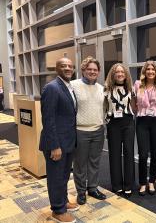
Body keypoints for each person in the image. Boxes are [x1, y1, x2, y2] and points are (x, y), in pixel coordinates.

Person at [39, 57, 79, 223]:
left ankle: (63, 202)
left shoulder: (68, 86)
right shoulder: (52, 88)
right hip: (56, 144)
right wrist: (54, 146)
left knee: (63, 176)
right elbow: (48, 119)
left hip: (68, 141)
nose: (68, 68)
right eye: (64, 66)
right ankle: (58, 210)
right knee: (56, 177)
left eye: (70, 66)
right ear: (57, 69)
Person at [71, 56, 106, 205]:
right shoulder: (73, 85)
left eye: (95, 70)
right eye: (89, 69)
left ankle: (92, 188)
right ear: (83, 70)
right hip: (80, 131)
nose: (92, 72)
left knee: (94, 162)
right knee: (79, 164)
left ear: (98, 72)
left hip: (98, 130)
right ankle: (81, 192)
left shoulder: (101, 88)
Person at [134, 60, 156, 196]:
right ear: (144, 71)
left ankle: (152, 182)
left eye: (153, 69)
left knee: (155, 154)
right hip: (142, 120)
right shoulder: (138, 84)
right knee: (143, 154)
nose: (150, 71)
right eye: (148, 69)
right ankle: (143, 183)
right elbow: (135, 104)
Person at [104, 63, 136, 198]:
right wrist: (106, 120)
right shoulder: (106, 89)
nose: (120, 74)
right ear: (113, 74)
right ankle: (117, 186)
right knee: (114, 155)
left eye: (122, 72)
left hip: (128, 122)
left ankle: (128, 185)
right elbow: (104, 107)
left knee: (129, 153)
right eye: (117, 72)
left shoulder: (131, 89)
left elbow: (135, 106)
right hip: (113, 124)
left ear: (126, 74)